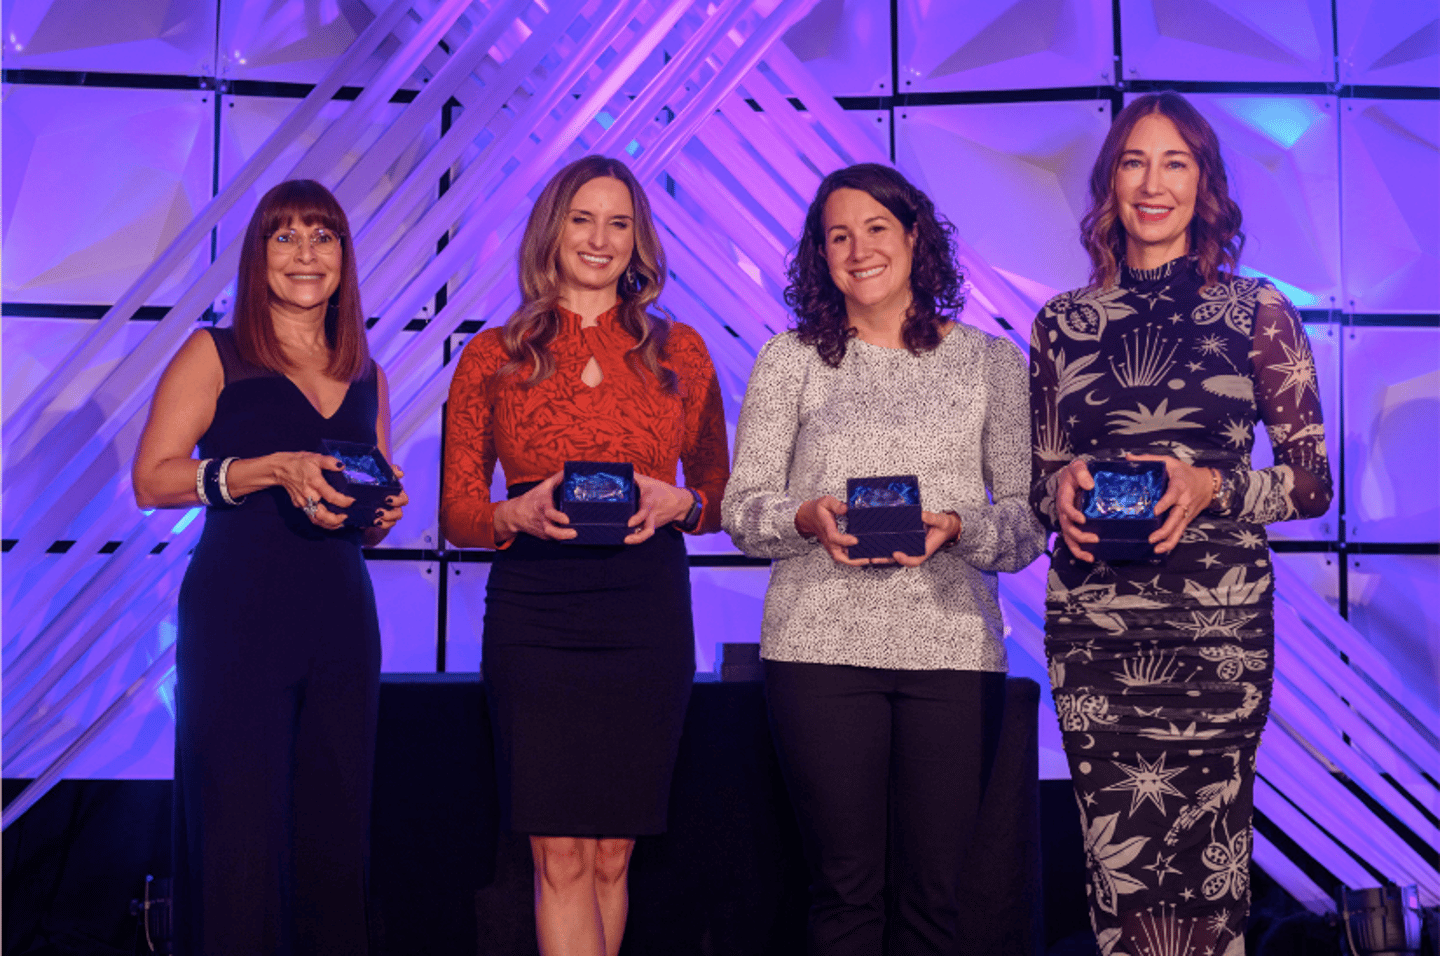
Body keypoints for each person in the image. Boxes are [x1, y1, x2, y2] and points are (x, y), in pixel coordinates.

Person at [1029, 91, 1332, 955]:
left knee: (1210, 869)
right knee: (1116, 870)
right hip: (1093, 632)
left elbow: (1311, 484)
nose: (1152, 183)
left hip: (1218, 632)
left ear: (1205, 185)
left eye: (1175, 163)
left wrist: (1211, 486)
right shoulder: (1062, 324)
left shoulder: (1256, 311)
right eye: (1134, 162)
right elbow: (1035, 482)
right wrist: (1054, 493)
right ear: (1109, 184)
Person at [722, 163, 1045, 955]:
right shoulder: (788, 360)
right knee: (844, 890)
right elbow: (741, 510)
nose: (859, 249)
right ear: (819, 257)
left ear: (914, 238)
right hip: (817, 650)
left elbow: (1026, 525)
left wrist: (956, 527)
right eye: (839, 235)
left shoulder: (991, 363)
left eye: (876, 229)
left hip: (953, 651)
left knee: (937, 900)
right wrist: (806, 517)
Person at [440, 154, 729, 956]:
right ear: (552, 230)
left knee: (613, 851)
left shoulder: (686, 352)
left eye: (619, 222)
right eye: (582, 218)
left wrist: (687, 503)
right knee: (558, 853)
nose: (600, 239)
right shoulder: (490, 355)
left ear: (638, 241)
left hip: (646, 606)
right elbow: (459, 513)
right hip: (538, 610)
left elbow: (719, 496)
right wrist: (512, 511)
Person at [133, 179, 407, 953]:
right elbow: (152, 477)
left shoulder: (367, 373)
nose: (304, 253)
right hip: (238, 614)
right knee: (237, 830)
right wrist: (268, 467)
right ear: (256, 258)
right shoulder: (215, 352)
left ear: (344, 258)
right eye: (283, 237)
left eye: (321, 236)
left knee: (335, 826)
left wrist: (382, 512)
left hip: (341, 617)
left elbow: (368, 502)